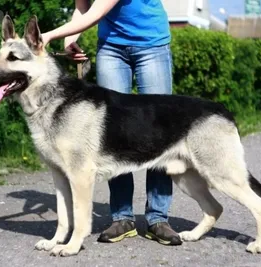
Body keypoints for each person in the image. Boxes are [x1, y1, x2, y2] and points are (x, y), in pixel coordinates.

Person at [42, 0, 182, 246]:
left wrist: (49, 36)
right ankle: (122, 217)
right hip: (111, 48)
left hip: (152, 44)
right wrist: (69, 40)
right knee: (111, 134)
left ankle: (158, 218)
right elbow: (83, 7)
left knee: (160, 130)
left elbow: (97, 12)